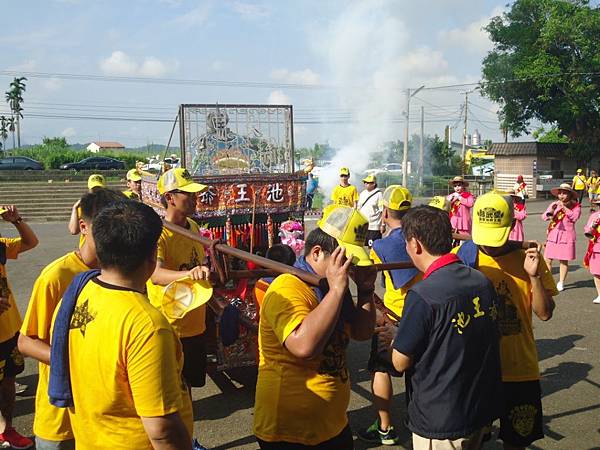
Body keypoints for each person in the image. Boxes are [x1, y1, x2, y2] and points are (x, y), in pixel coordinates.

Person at [49, 201, 193, 450]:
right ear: (151, 256)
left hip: (90, 440)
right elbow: (161, 431)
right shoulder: (146, 325)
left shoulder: (79, 292)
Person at [254, 205, 377, 449]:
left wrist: (365, 291)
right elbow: (303, 346)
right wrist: (339, 288)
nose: (350, 268)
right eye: (345, 259)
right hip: (290, 433)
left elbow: (362, 333)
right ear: (318, 253)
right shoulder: (287, 288)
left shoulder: (330, 286)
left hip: (332, 424)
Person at [18, 189, 126, 450]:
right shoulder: (56, 276)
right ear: (83, 227)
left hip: (103, 416)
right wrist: (77, 361)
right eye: (104, 226)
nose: (112, 235)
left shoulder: (121, 272)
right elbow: (26, 341)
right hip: (62, 420)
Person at [391, 205, 502, 450]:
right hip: (478, 407)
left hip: (440, 417)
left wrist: (393, 338)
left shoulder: (422, 294)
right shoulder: (481, 280)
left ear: (415, 244)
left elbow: (400, 362)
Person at [460, 191, 557, 450]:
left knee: (516, 441)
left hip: (519, 367)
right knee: (471, 439)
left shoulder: (530, 259)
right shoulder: (466, 258)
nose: (489, 246)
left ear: (513, 225)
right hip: (477, 368)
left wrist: (533, 277)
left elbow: (545, 313)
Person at [357, 185, 421, 446]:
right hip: (422, 310)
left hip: (392, 314)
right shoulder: (422, 238)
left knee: (380, 369)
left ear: (384, 212)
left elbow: (372, 281)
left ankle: (385, 428)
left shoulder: (381, 246)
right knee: (418, 371)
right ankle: (419, 424)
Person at [147, 168, 211, 391]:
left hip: (195, 322)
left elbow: (200, 260)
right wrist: (189, 274)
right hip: (171, 324)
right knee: (171, 388)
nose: (194, 199)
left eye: (195, 194)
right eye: (188, 194)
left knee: (189, 387)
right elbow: (155, 275)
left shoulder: (192, 226)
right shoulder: (159, 233)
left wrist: (204, 268)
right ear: (169, 198)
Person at [0, 205, 39, 449]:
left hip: (8, 328)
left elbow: (30, 242)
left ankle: (8, 429)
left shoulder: (0, 244)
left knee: (8, 381)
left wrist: (17, 221)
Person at [542, 183, 581, 291]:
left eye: (564, 193)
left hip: (566, 236)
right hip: (553, 235)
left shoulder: (576, 206)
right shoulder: (555, 204)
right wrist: (552, 211)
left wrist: (564, 208)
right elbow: (544, 216)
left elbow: (574, 217)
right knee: (547, 260)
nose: (561, 196)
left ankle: (561, 282)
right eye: (560, 193)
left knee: (563, 261)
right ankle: (547, 281)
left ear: (570, 195)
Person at [358, 175, 383, 248]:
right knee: (362, 247)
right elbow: (358, 207)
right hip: (363, 226)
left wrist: (383, 225)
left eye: (368, 182)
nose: (366, 184)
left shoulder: (379, 194)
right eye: (365, 182)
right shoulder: (363, 193)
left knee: (373, 248)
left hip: (374, 226)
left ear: (374, 184)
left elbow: (382, 210)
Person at [583, 204, 600, 304]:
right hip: (596, 247)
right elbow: (587, 229)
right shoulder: (594, 216)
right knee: (597, 272)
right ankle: (599, 294)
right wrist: (592, 226)